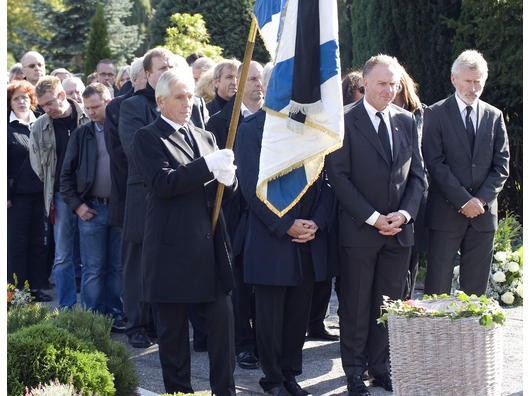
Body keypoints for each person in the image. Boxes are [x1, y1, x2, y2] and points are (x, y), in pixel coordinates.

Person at [132, 68, 237, 396]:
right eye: (179, 97)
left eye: (190, 96)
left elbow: (222, 194)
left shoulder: (205, 137)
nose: (187, 103)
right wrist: (208, 167)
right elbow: (163, 183)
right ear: (161, 101)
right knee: (174, 340)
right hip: (171, 251)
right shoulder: (148, 137)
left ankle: (226, 391)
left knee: (223, 332)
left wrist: (230, 181)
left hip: (209, 249)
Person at [327, 54, 425, 396]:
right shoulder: (343, 121)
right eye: (382, 83)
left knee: (389, 305)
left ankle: (381, 367)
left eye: (394, 84)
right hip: (359, 231)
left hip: (399, 232)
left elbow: (417, 177)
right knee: (355, 305)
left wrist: (405, 214)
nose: (389, 89)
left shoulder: (407, 121)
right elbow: (338, 177)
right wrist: (373, 217)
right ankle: (354, 372)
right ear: (365, 82)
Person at [235, 68, 335, 396]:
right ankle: (273, 379)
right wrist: (285, 224)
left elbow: (325, 182)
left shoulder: (312, 129)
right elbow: (251, 188)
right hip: (271, 238)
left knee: (297, 315)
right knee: (270, 316)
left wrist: (316, 223)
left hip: (307, 237)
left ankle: (291, 374)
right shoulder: (250, 130)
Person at [422, 49, 510, 296]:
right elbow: (435, 163)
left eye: (478, 82)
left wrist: (480, 200)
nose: (472, 88)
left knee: (476, 290)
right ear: (454, 79)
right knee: (437, 285)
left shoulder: (494, 116)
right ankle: (435, 334)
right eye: (468, 81)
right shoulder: (436, 114)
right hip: (446, 214)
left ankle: (471, 335)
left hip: (483, 215)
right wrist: (463, 200)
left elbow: (501, 165)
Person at [206, 60, 264, 370]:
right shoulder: (218, 123)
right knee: (239, 282)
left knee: (265, 283)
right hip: (236, 213)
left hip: (268, 214)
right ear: (238, 85)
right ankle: (244, 344)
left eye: (260, 79)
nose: (258, 85)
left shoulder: (276, 121)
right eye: (251, 79)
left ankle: (267, 341)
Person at [60, 83, 123, 324]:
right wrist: (77, 206)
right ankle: (92, 319)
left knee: (116, 267)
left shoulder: (121, 130)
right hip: (92, 209)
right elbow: (65, 175)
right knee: (93, 268)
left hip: (118, 208)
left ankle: (115, 314)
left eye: (95, 107)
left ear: (108, 102)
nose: (91, 112)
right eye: (87, 108)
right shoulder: (82, 133)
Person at [105, 57, 153, 348]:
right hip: (131, 195)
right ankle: (136, 322)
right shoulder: (121, 107)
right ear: (138, 78)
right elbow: (121, 157)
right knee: (134, 263)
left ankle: (154, 321)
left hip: (158, 196)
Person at [29, 76, 89, 309]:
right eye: (42, 105)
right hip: (60, 197)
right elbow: (38, 166)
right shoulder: (40, 126)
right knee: (63, 256)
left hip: (89, 194)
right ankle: (66, 310)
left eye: (49, 103)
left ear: (62, 96)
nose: (46, 109)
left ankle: (92, 310)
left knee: (91, 257)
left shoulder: (86, 116)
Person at [7, 80, 51, 302]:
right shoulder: (6, 127)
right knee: (17, 245)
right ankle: (15, 293)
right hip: (16, 198)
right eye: (16, 98)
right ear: (9, 102)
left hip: (41, 194)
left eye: (25, 97)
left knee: (39, 243)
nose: (21, 102)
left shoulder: (42, 124)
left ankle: (35, 288)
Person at [392, 67, 428, 299]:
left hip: (411, 194)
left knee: (409, 257)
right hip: (383, 197)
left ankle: (405, 301)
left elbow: (417, 159)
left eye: (394, 86)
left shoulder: (415, 114)